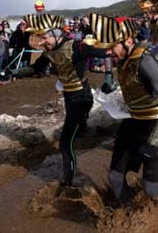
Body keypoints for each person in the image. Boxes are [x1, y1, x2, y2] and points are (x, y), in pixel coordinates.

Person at [87, 14, 158, 200]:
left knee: (153, 190)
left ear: (128, 41)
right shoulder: (123, 58)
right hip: (132, 122)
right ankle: (126, 214)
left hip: (153, 125)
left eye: (111, 47)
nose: (107, 53)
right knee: (115, 178)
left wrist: (154, 139)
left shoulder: (144, 61)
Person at [14, 14, 105, 186]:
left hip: (82, 97)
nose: (43, 42)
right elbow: (35, 68)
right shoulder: (49, 53)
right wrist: (14, 72)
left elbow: (105, 52)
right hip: (69, 96)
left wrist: (114, 69)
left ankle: (68, 182)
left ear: (56, 34)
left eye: (45, 37)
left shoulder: (77, 46)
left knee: (65, 143)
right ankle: (89, 131)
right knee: (76, 130)